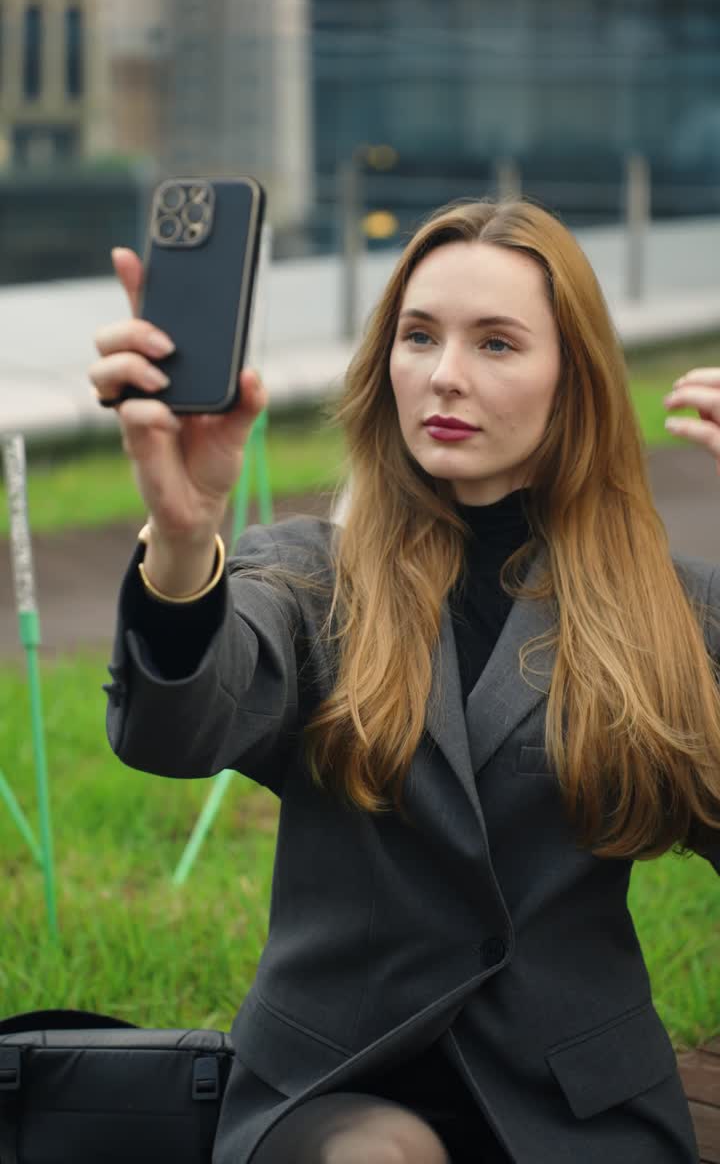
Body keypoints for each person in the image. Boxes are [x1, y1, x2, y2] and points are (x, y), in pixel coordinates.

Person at [90, 198, 720, 1164]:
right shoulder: (308, 579)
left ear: (575, 381)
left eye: (498, 343)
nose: (444, 376)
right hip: (336, 1083)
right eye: (418, 335)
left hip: (580, 1104)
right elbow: (172, 730)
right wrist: (182, 541)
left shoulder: (668, 611)